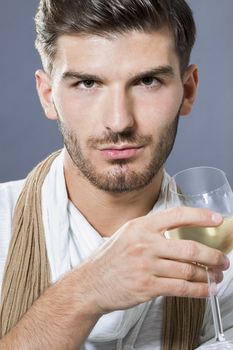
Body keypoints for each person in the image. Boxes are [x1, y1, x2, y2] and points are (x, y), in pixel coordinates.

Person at [0, 0, 232, 349]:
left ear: (189, 90)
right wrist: (85, 291)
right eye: (88, 83)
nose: (119, 121)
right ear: (48, 95)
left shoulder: (223, 245)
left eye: (147, 81)